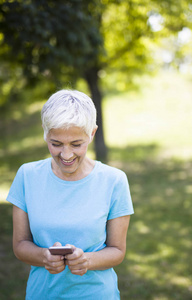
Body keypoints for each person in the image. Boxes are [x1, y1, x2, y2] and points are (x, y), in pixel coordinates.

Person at [6, 89, 134, 300]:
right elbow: (20, 245)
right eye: (56, 144)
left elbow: (117, 250)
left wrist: (87, 261)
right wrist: (43, 256)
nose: (66, 155)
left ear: (92, 134)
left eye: (76, 144)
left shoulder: (114, 181)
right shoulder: (27, 176)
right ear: (45, 133)